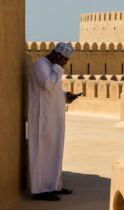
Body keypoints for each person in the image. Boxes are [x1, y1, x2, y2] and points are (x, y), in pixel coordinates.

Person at [28, 42, 77, 201]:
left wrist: (65, 96)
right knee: (42, 153)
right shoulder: (39, 66)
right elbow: (48, 85)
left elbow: (53, 91)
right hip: (42, 118)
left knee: (55, 152)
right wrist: (58, 67)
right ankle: (41, 190)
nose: (65, 64)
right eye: (64, 60)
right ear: (57, 55)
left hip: (54, 118)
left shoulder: (54, 68)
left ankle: (54, 185)